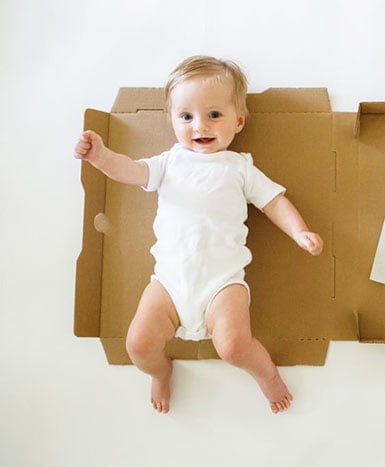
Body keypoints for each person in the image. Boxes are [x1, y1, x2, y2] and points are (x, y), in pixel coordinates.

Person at [73, 55, 323, 414]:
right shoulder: (169, 162)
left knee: (234, 346)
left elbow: (274, 202)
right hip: (169, 283)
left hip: (222, 284)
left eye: (214, 115)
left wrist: (299, 232)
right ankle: (160, 371)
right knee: (138, 345)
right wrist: (100, 156)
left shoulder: (239, 168)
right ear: (173, 120)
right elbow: (130, 171)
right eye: (186, 117)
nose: (200, 126)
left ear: (239, 121)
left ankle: (267, 374)